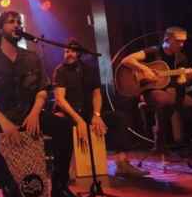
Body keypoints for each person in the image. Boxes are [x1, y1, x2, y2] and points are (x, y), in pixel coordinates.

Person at [0, 10, 90, 197]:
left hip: (30, 114)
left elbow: (42, 89)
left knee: (63, 127)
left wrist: (36, 112)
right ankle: (10, 190)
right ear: (0, 30)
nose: (17, 24)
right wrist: (4, 123)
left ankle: (60, 187)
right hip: (3, 117)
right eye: (11, 22)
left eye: (19, 21)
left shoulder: (32, 57)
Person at [52, 39, 148, 178]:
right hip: (68, 114)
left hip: (87, 113)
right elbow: (60, 100)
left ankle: (122, 164)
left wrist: (96, 115)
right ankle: (66, 168)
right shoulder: (60, 71)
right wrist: (79, 120)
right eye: (66, 51)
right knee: (60, 123)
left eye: (72, 51)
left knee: (118, 118)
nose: (68, 54)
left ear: (79, 53)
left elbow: (96, 94)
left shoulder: (89, 70)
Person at [120, 26, 192, 157]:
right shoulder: (153, 51)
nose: (182, 44)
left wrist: (185, 79)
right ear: (167, 39)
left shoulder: (181, 58)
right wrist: (144, 69)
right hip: (152, 91)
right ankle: (160, 142)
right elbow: (126, 60)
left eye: (184, 41)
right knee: (164, 100)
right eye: (178, 41)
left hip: (171, 92)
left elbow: (179, 83)